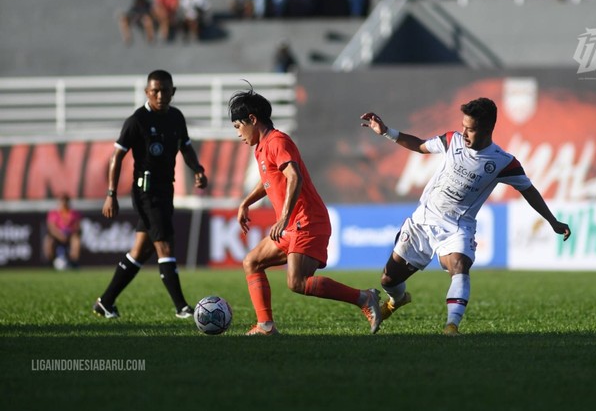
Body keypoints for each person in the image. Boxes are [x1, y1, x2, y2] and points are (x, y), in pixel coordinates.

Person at [360, 98, 571, 336]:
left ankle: (452, 326)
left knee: (459, 266)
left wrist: (553, 221)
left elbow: (529, 191)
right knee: (388, 280)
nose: (464, 133)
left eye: (470, 129)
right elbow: (420, 145)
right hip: (423, 221)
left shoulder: (503, 162)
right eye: (463, 126)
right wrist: (386, 132)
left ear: (487, 129)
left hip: (457, 228)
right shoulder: (452, 140)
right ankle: (395, 301)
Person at [230, 86, 381, 335]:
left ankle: (364, 297)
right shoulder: (261, 147)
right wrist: (246, 201)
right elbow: (270, 179)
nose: (238, 134)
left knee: (297, 282)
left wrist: (284, 217)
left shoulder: (277, 141)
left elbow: (293, 176)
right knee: (252, 262)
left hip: (307, 221)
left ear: (253, 120)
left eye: (238, 126)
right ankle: (265, 326)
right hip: (293, 224)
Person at [93, 70, 208, 319]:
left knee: (141, 251)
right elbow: (117, 156)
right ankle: (182, 307)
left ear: (173, 92)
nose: (160, 95)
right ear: (147, 92)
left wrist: (197, 169)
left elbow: (186, 148)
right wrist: (111, 193)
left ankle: (106, 302)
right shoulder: (137, 121)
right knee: (164, 246)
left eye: (165, 90)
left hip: (166, 190)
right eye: (154, 90)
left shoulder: (176, 117)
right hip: (147, 192)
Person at [43, 194, 82, 269]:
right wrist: (60, 236)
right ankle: (50, 263)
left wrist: (70, 233)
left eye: (65, 201)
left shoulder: (74, 213)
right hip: (57, 236)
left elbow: (77, 227)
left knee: (76, 240)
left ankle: (73, 262)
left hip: (70, 235)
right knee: (48, 240)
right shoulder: (53, 213)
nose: (64, 203)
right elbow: (52, 228)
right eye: (62, 201)